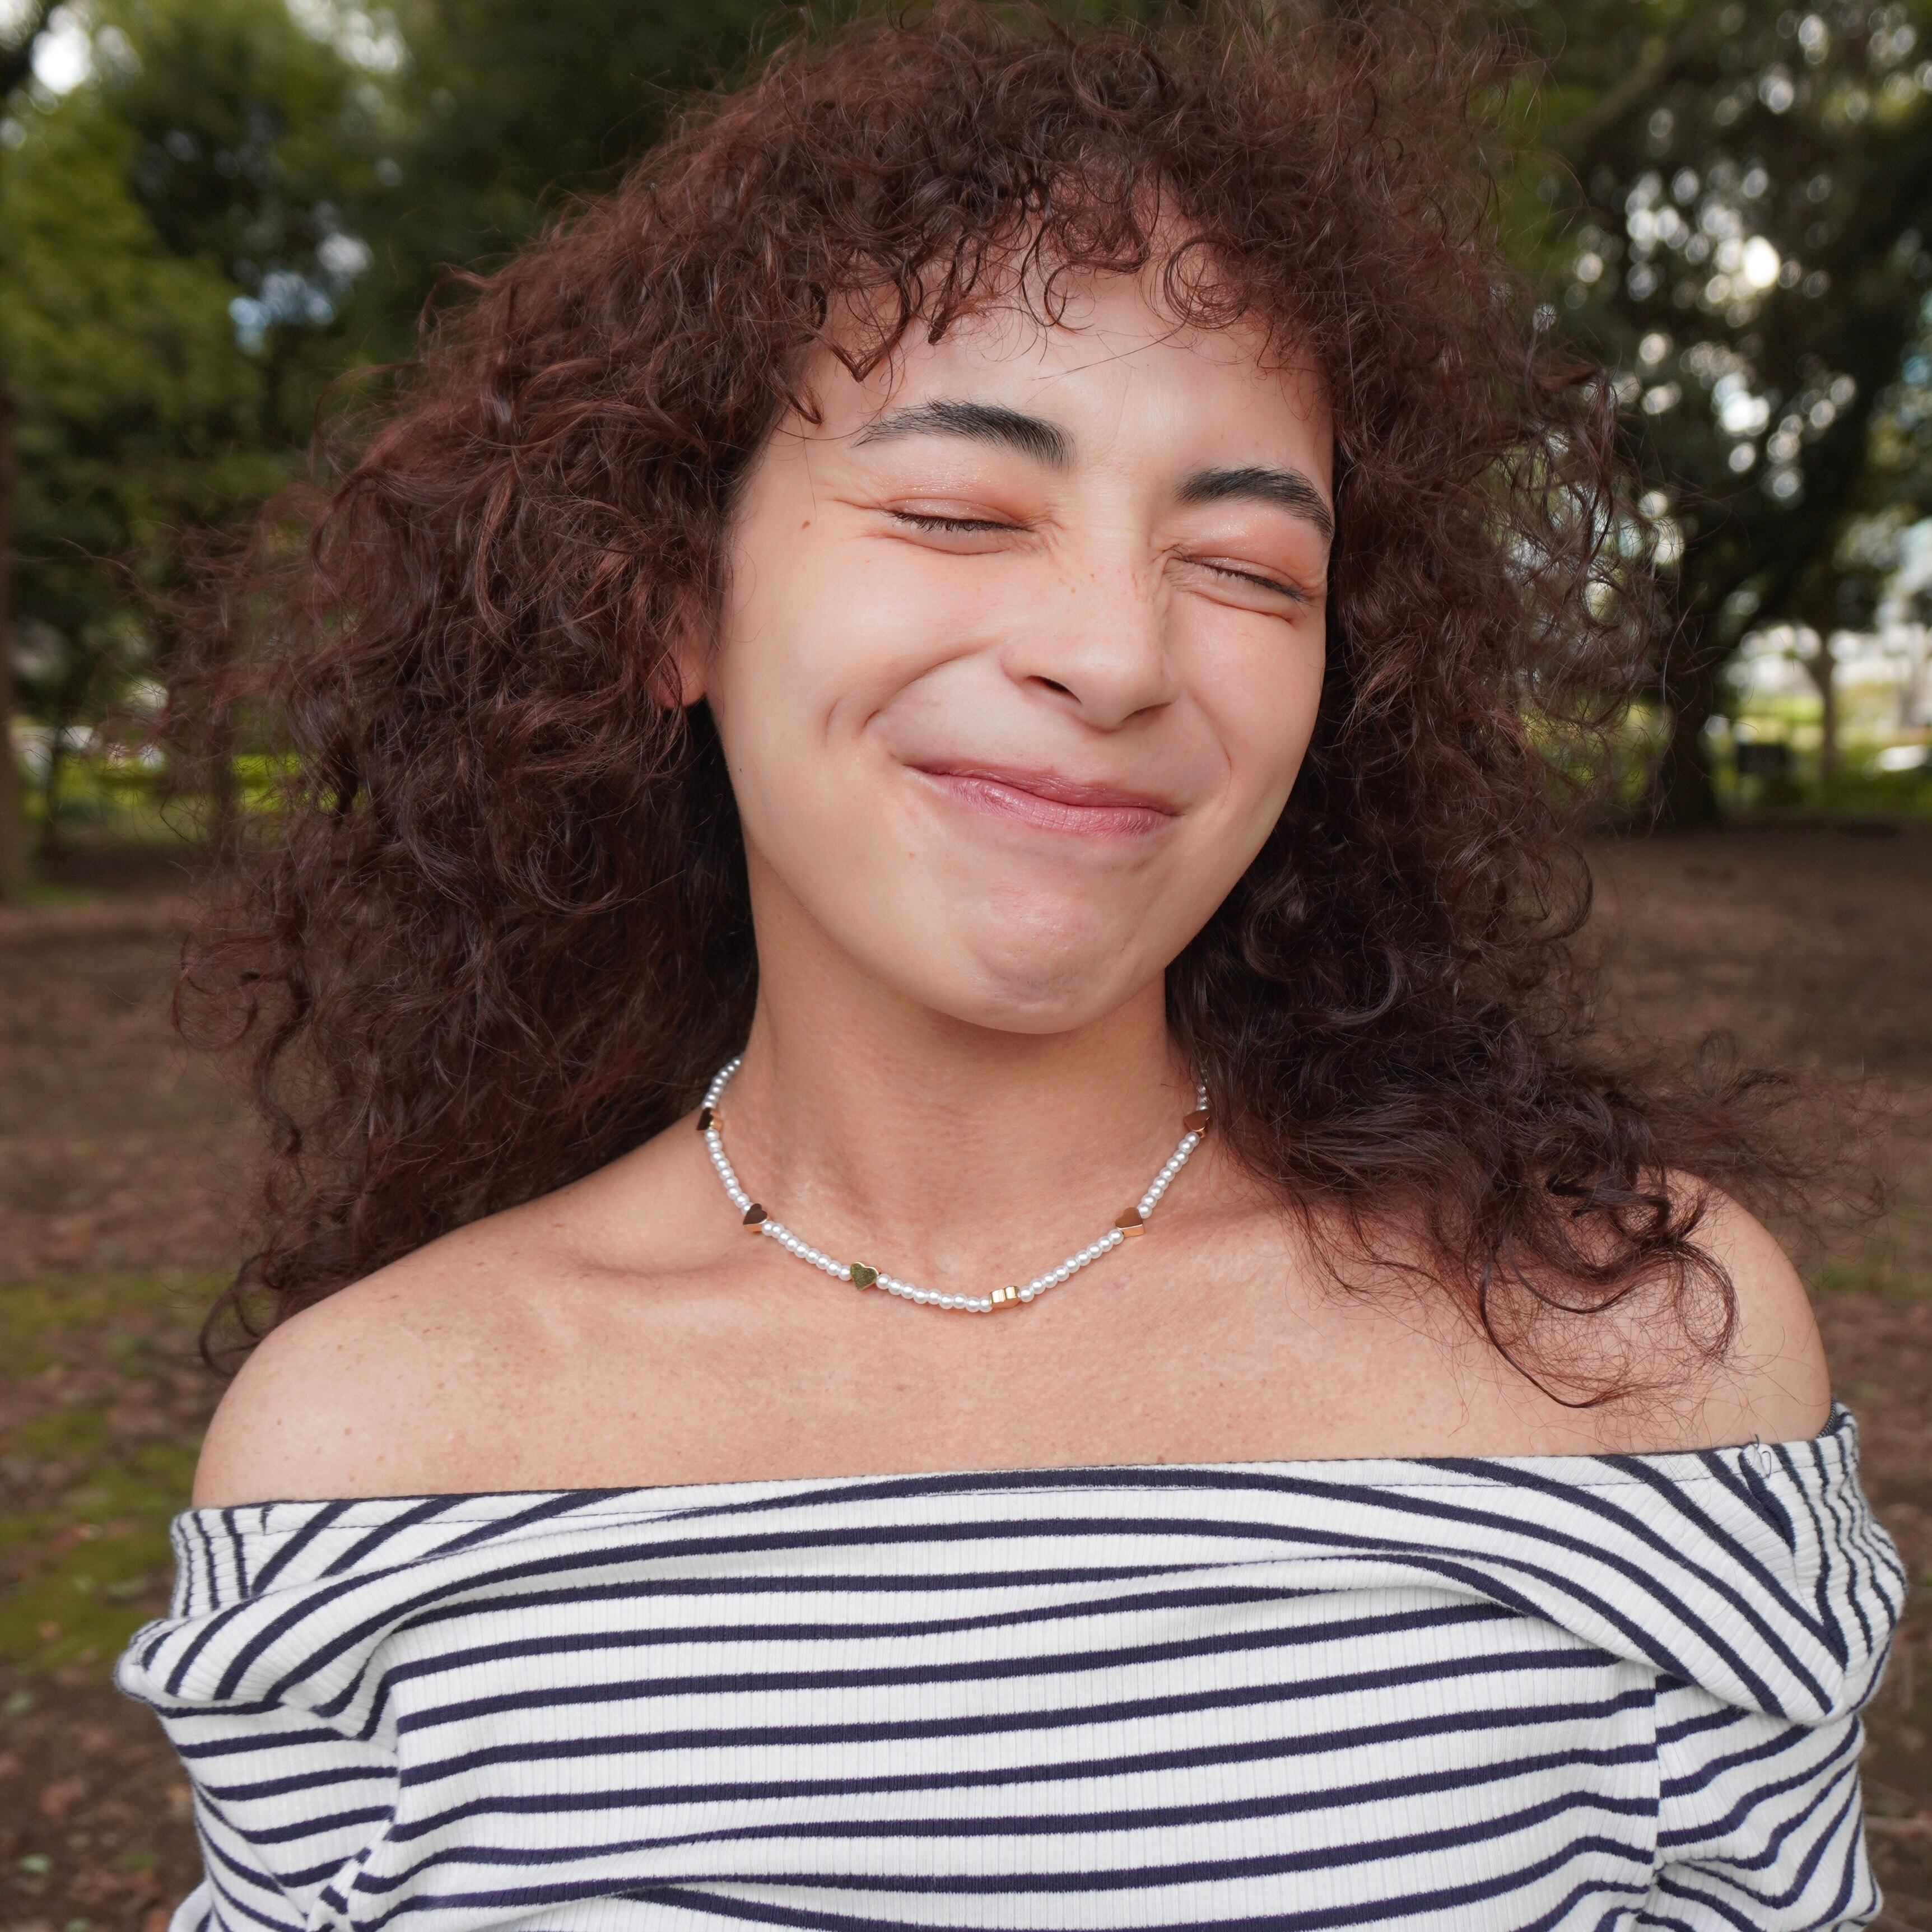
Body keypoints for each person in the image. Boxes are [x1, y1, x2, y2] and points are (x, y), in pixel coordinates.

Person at [118, 6, 1902, 1928]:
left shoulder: (1638, 1355)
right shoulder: (357, 1452)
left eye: (1248, 567)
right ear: (667, 600)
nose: (1117, 655)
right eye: (958, 511)